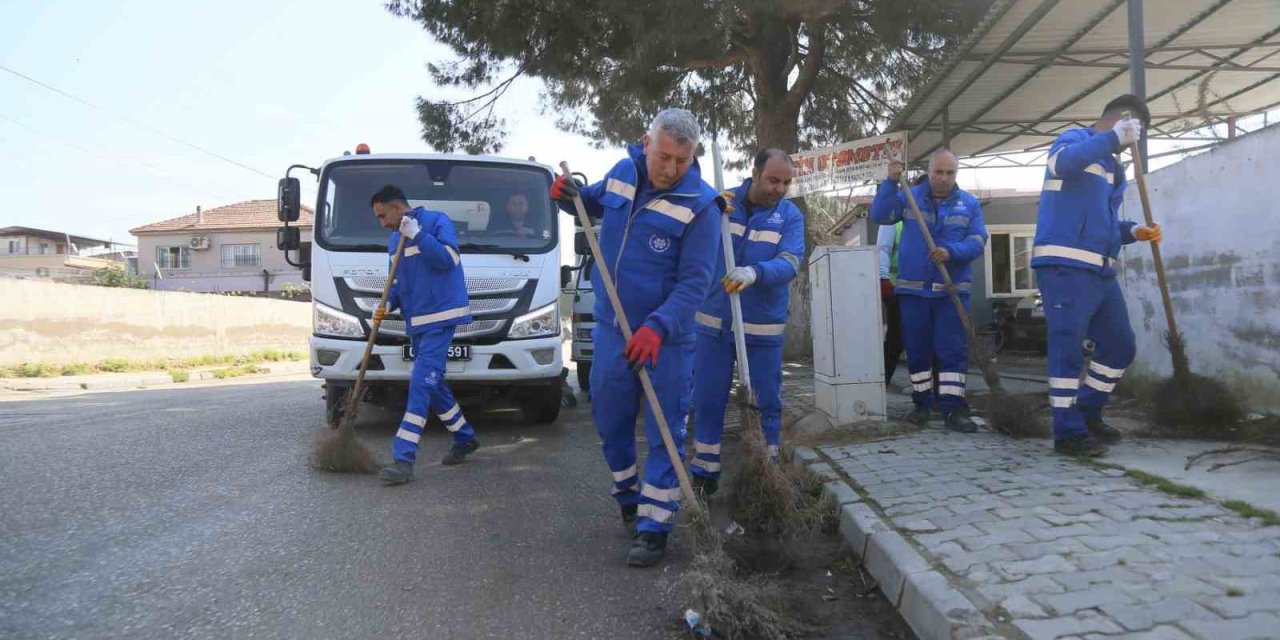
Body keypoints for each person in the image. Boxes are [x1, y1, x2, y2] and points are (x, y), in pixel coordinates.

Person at [550, 108, 720, 567]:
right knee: (610, 418)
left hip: (667, 338)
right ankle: (627, 496)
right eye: (663, 157)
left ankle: (654, 527)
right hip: (612, 329)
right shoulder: (623, 173)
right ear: (646, 144)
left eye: (682, 160)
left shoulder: (701, 206)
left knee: (666, 429)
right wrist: (566, 196)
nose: (671, 169)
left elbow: (696, 283)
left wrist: (658, 326)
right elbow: (590, 202)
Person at [1032, 94, 1161, 457]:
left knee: (1120, 345)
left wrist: (1133, 231)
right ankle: (1067, 432)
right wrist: (1112, 137)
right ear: (1122, 119)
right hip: (1064, 265)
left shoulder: (1113, 168)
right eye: (1136, 130)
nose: (1134, 140)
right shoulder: (1074, 139)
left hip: (1100, 270)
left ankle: (1087, 412)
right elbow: (1061, 164)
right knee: (1067, 348)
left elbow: (1104, 224)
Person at [690, 149, 804, 496]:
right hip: (714, 323)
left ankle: (765, 471)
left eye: (786, 182)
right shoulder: (721, 204)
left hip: (762, 328)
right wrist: (709, 209)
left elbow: (790, 262)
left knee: (766, 401)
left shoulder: (789, 216)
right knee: (708, 399)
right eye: (773, 180)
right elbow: (691, 236)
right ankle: (705, 473)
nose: (779, 189)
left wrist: (755, 272)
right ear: (754, 173)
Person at [871, 150, 988, 433]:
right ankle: (921, 404)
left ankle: (954, 409)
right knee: (917, 352)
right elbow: (880, 215)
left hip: (951, 291)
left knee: (952, 352)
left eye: (950, 173)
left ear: (956, 174)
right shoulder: (908, 196)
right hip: (914, 293)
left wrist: (951, 252)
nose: (944, 178)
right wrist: (890, 182)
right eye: (938, 172)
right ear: (929, 171)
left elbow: (978, 240)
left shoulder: (968, 204)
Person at [370, 184, 479, 485]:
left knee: (420, 383)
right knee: (434, 383)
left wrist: (418, 234)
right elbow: (397, 284)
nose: (382, 223)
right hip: (416, 322)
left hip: (441, 317)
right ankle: (465, 437)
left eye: (383, 216)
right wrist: (387, 304)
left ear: (396, 208)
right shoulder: (395, 240)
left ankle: (403, 459)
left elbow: (448, 260)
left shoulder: (436, 221)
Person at [877, 220, 904, 385]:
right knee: (896, 338)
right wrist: (883, 278)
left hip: (921, 289)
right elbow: (882, 249)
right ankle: (882, 382)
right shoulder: (893, 220)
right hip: (896, 288)